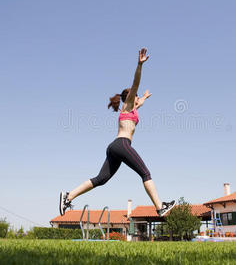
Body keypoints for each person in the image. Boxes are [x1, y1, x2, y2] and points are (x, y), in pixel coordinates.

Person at [59, 48, 175, 217]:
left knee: (101, 179)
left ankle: (68, 197)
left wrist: (145, 98)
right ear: (130, 97)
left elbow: (140, 101)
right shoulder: (127, 105)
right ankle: (159, 207)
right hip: (122, 144)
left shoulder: (133, 108)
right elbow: (135, 84)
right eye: (136, 96)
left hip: (115, 147)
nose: (138, 98)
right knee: (145, 173)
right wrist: (139, 65)